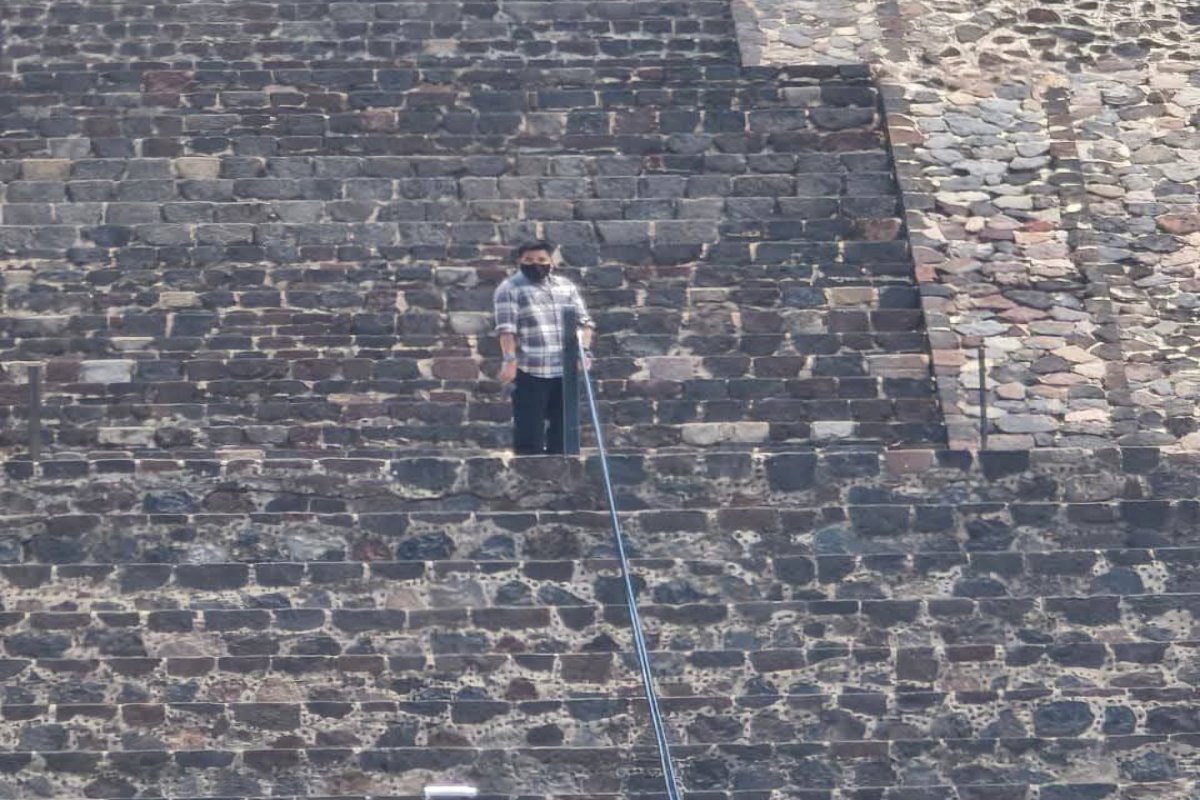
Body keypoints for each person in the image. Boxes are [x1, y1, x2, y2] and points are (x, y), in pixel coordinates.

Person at [493, 240, 595, 455]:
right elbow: (507, 330)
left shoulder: (565, 287)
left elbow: (584, 323)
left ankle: (563, 472)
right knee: (529, 433)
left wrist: (584, 351)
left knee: (564, 434)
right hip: (531, 369)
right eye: (529, 260)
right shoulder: (509, 289)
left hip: (565, 370)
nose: (535, 264)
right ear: (520, 262)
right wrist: (509, 361)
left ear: (551, 262)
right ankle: (530, 472)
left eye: (541, 260)